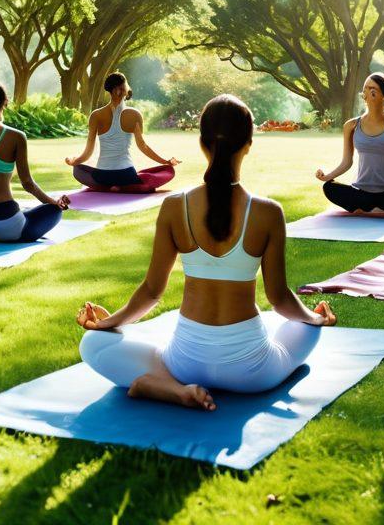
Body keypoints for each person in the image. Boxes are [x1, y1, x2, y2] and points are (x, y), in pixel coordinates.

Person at [77, 94, 336, 410]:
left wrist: (109, 324)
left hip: (184, 365)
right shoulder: (268, 212)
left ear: (202, 144)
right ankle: (171, 386)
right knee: (305, 328)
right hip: (252, 373)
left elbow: (151, 293)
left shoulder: (174, 207)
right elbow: (279, 299)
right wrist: (314, 319)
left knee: (92, 344)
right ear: (248, 144)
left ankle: (171, 389)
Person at [0, 80, 71, 242]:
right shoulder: (16, 137)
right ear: (3, 103)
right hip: (4, 222)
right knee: (53, 212)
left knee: (23, 212)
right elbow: (27, 184)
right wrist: (53, 203)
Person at [315, 72, 384, 215]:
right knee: (329, 187)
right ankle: (378, 209)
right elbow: (346, 162)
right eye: (366, 88)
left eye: (374, 89)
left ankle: (370, 209)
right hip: (361, 191)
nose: (369, 92)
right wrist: (326, 177)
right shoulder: (351, 125)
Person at [65, 72, 179, 193]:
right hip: (126, 175)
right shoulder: (135, 114)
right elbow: (143, 146)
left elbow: (88, 152)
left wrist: (74, 161)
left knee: (77, 170)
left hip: (102, 176)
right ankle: (125, 186)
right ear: (123, 89)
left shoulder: (96, 115)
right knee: (168, 171)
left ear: (109, 90)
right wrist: (165, 162)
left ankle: (106, 186)